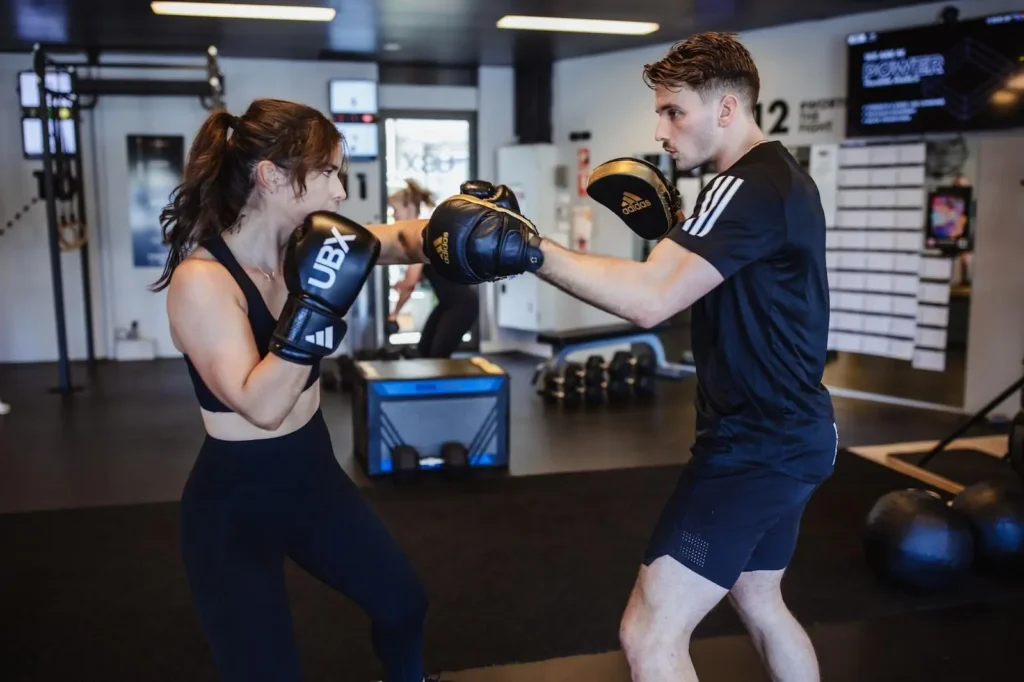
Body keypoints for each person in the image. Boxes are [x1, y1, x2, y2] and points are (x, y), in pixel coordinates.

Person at [419, 32, 837, 682]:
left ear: (728, 109)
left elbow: (650, 303)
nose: (662, 130)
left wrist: (530, 248)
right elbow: (711, 286)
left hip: (755, 447)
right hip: (798, 432)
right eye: (660, 113)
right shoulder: (783, 181)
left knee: (648, 634)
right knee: (759, 598)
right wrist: (675, 237)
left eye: (675, 112)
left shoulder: (746, 185)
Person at [154, 98, 442, 682]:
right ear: (272, 176)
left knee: (403, 603)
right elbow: (261, 404)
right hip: (237, 500)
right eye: (330, 173)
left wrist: (464, 226)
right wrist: (313, 309)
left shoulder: (305, 249)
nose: (340, 192)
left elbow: (401, 239)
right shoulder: (201, 281)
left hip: (312, 475)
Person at [387, 179, 478, 358]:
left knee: (437, 357)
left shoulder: (419, 235)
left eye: (395, 210)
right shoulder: (419, 230)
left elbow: (410, 283)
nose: (394, 216)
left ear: (408, 207)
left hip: (461, 305)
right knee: (425, 351)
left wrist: (394, 314)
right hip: (447, 304)